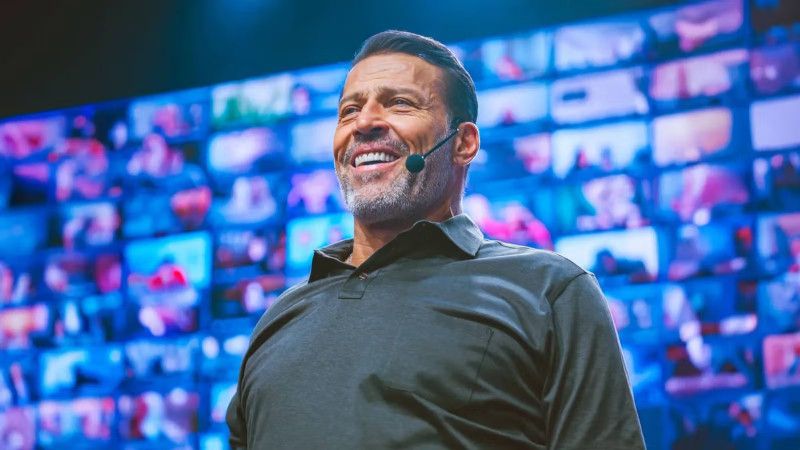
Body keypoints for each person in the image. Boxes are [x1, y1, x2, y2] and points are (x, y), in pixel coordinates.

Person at [227, 30, 645, 449]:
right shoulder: (279, 318)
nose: (364, 123)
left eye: (399, 103)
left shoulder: (550, 292)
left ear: (464, 143)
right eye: (349, 110)